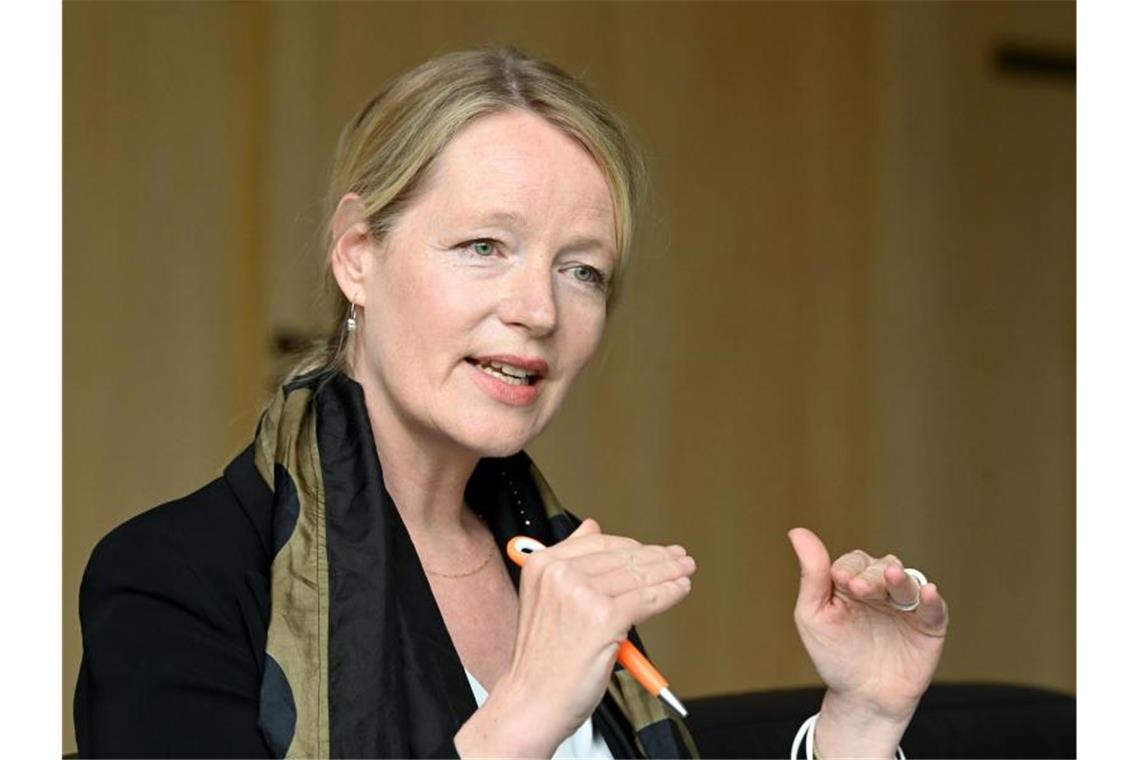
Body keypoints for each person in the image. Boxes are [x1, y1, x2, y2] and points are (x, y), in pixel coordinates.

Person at [74, 47, 949, 759]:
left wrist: (860, 728)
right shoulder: (173, 578)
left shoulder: (550, 559)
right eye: (485, 246)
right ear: (357, 256)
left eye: (582, 270)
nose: (539, 310)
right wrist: (526, 712)